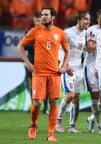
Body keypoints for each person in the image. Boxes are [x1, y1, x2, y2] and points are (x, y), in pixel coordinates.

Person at [17, 6, 70, 142]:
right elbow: (20, 46)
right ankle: (33, 125)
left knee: (53, 102)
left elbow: (67, 50)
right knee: (37, 103)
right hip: (39, 73)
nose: (43, 17)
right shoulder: (35, 31)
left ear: (52, 17)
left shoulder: (60, 33)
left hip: (54, 73)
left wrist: (64, 65)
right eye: (42, 15)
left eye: (46, 14)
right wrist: (29, 64)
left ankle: (51, 134)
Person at [55, 11, 90, 133]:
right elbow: (59, 50)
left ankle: (72, 126)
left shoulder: (85, 33)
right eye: (85, 19)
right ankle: (58, 121)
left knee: (76, 98)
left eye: (88, 20)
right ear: (79, 20)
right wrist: (66, 65)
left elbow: (85, 49)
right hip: (67, 67)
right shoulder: (67, 33)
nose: (87, 22)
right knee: (70, 95)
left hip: (79, 68)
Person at [85, 9, 101, 133]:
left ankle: (94, 119)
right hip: (91, 66)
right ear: (97, 18)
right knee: (95, 97)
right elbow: (89, 47)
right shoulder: (92, 30)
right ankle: (98, 123)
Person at [24, 12, 49, 114]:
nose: (37, 23)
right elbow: (25, 46)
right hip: (32, 62)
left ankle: (45, 107)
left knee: (45, 84)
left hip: (44, 62)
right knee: (32, 85)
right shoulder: (29, 32)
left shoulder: (47, 32)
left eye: (39, 21)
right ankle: (33, 105)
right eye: (36, 21)